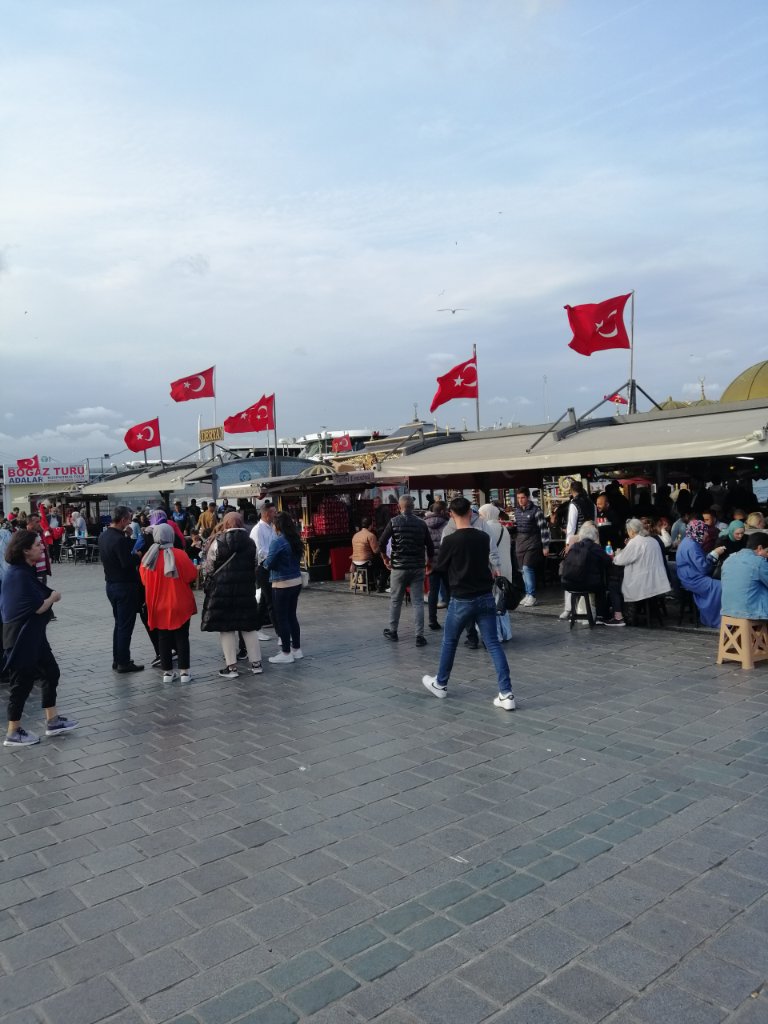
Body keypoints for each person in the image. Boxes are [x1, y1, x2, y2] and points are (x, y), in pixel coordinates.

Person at [421, 497, 515, 711]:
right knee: (493, 644)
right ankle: (506, 693)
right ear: (471, 513)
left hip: (461, 597)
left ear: (451, 514)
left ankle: (441, 683)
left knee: (450, 641)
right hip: (485, 595)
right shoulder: (483, 537)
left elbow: (440, 567)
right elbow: (491, 559)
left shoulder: (450, 540)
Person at [1, 530, 77, 745]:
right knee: (21, 683)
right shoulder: (19, 574)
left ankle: (52, 721)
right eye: (37, 545)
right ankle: (13, 732)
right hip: (21, 637)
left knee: (50, 672)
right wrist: (52, 597)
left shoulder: (24, 571)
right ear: (25, 550)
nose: (42, 547)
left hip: (33, 635)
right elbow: (37, 607)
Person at [201, 511, 262, 678]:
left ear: (226, 523)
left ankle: (232, 667)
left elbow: (209, 567)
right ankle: (256, 664)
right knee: (248, 627)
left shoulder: (218, 542)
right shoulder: (250, 542)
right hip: (245, 590)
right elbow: (255, 564)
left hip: (222, 592)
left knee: (226, 628)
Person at [139, 524, 198, 683]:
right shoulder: (180, 555)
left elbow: (144, 581)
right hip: (179, 602)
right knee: (182, 637)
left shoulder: (147, 558)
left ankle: (167, 673)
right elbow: (192, 575)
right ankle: (184, 673)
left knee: (163, 638)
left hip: (157, 604)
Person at [379, 495, 434, 646]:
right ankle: (419, 636)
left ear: (399, 507)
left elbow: (381, 542)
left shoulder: (393, 522)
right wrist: (429, 562)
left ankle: (393, 631)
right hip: (417, 567)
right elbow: (429, 545)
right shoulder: (421, 523)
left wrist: (385, 558)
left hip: (399, 567)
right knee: (418, 602)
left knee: (396, 600)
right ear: (413, 507)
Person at [98, 506, 144, 673]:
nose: (130, 522)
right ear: (123, 520)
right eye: (128, 519)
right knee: (125, 626)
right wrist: (137, 556)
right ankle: (123, 662)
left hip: (111, 584)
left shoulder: (104, 536)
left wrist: (127, 536)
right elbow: (126, 562)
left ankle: (117, 659)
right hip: (124, 586)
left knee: (119, 624)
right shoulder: (119, 539)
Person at [559, 521, 625, 625]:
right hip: (585, 584)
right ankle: (600, 616)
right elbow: (608, 561)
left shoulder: (574, 546)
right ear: (594, 535)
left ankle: (579, 614)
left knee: (594, 584)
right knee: (601, 588)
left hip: (568, 583)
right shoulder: (595, 547)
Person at [264, 512, 304, 664]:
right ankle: (296, 649)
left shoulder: (278, 541)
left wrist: (264, 563)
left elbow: (268, 563)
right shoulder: (295, 539)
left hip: (281, 583)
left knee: (282, 618)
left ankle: (286, 652)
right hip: (296, 581)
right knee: (292, 616)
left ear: (278, 526)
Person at [612, 518, 670, 617]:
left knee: (614, 585)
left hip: (642, 583)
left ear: (631, 531)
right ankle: (641, 611)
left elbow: (620, 560)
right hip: (656, 582)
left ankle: (625, 615)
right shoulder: (653, 540)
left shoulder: (635, 542)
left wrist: (616, 556)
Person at [675, 519, 724, 628]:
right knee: (719, 587)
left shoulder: (688, 541)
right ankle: (714, 619)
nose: (706, 534)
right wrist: (714, 554)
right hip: (692, 578)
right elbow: (704, 567)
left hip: (689, 576)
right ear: (697, 532)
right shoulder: (692, 545)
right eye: (704, 531)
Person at [479, 503, 513, 640]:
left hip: (493, 569)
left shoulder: (486, 529)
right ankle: (506, 633)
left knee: (492, 602)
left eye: (481, 514)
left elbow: (488, 552)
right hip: (506, 568)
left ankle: (495, 634)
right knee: (502, 601)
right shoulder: (504, 529)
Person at [512, 488, 550, 607]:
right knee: (522, 570)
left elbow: (544, 529)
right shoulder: (516, 511)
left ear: (528, 497)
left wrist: (545, 546)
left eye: (522, 497)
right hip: (520, 542)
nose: (520, 500)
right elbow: (517, 526)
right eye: (518, 498)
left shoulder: (536, 511)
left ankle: (532, 595)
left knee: (527, 567)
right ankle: (528, 594)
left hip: (533, 542)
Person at [721, 532, 768, 619]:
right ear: (760, 548)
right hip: (751, 612)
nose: (767, 555)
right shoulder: (759, 562)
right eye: (767, 551)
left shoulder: (728, 560)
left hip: (727, 610)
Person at [251, 503, 277, 633]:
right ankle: (280, 632)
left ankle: (256, 626)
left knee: (264, 600)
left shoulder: (272, 527)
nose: (275, 514)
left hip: (271, 565)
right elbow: (260, 550)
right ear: (266, 514)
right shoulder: (258, 529)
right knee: (270, 600)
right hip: (263, 567)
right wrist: (274, 557)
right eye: (273, 512)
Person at [424, 501, 450, 629]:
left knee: (433, 592)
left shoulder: (424, 524)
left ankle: (432, 620)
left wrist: (427, 562)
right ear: (442, 511)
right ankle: (452, 619)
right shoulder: (448, 524)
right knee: (449, 591)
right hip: (446, 562)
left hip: (431, 563)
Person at [351, 517, 381, 593]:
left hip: (355, 562)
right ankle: (379, 585)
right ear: (371, 525)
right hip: (365, 561)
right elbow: (376, 551)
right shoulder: (370, 535)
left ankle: (370, 583)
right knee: (381, 564)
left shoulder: (355, 535)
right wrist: (380, 545)